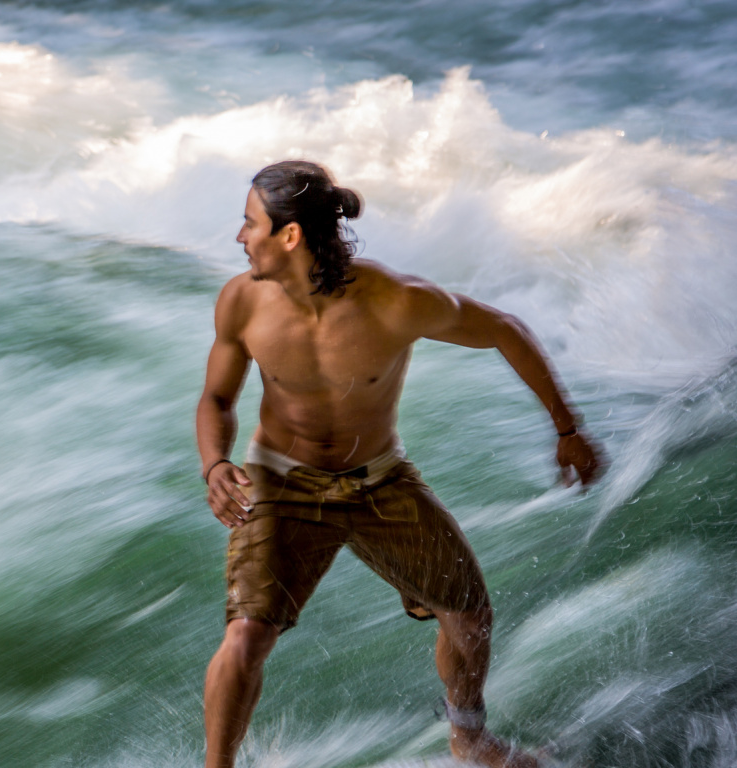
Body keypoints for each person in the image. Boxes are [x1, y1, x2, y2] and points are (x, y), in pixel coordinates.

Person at [197, 160, 604, 768]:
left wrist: (567, 428)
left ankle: (469, 738)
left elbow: (505, 329)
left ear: (290, 236)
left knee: (469, 614)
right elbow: (217, 399)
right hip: (281, 481)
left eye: (249, 223)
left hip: (379, 481)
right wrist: (215, 464)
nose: (239, 236)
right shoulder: (241, 303)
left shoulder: (395, 302)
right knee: (247, 634)